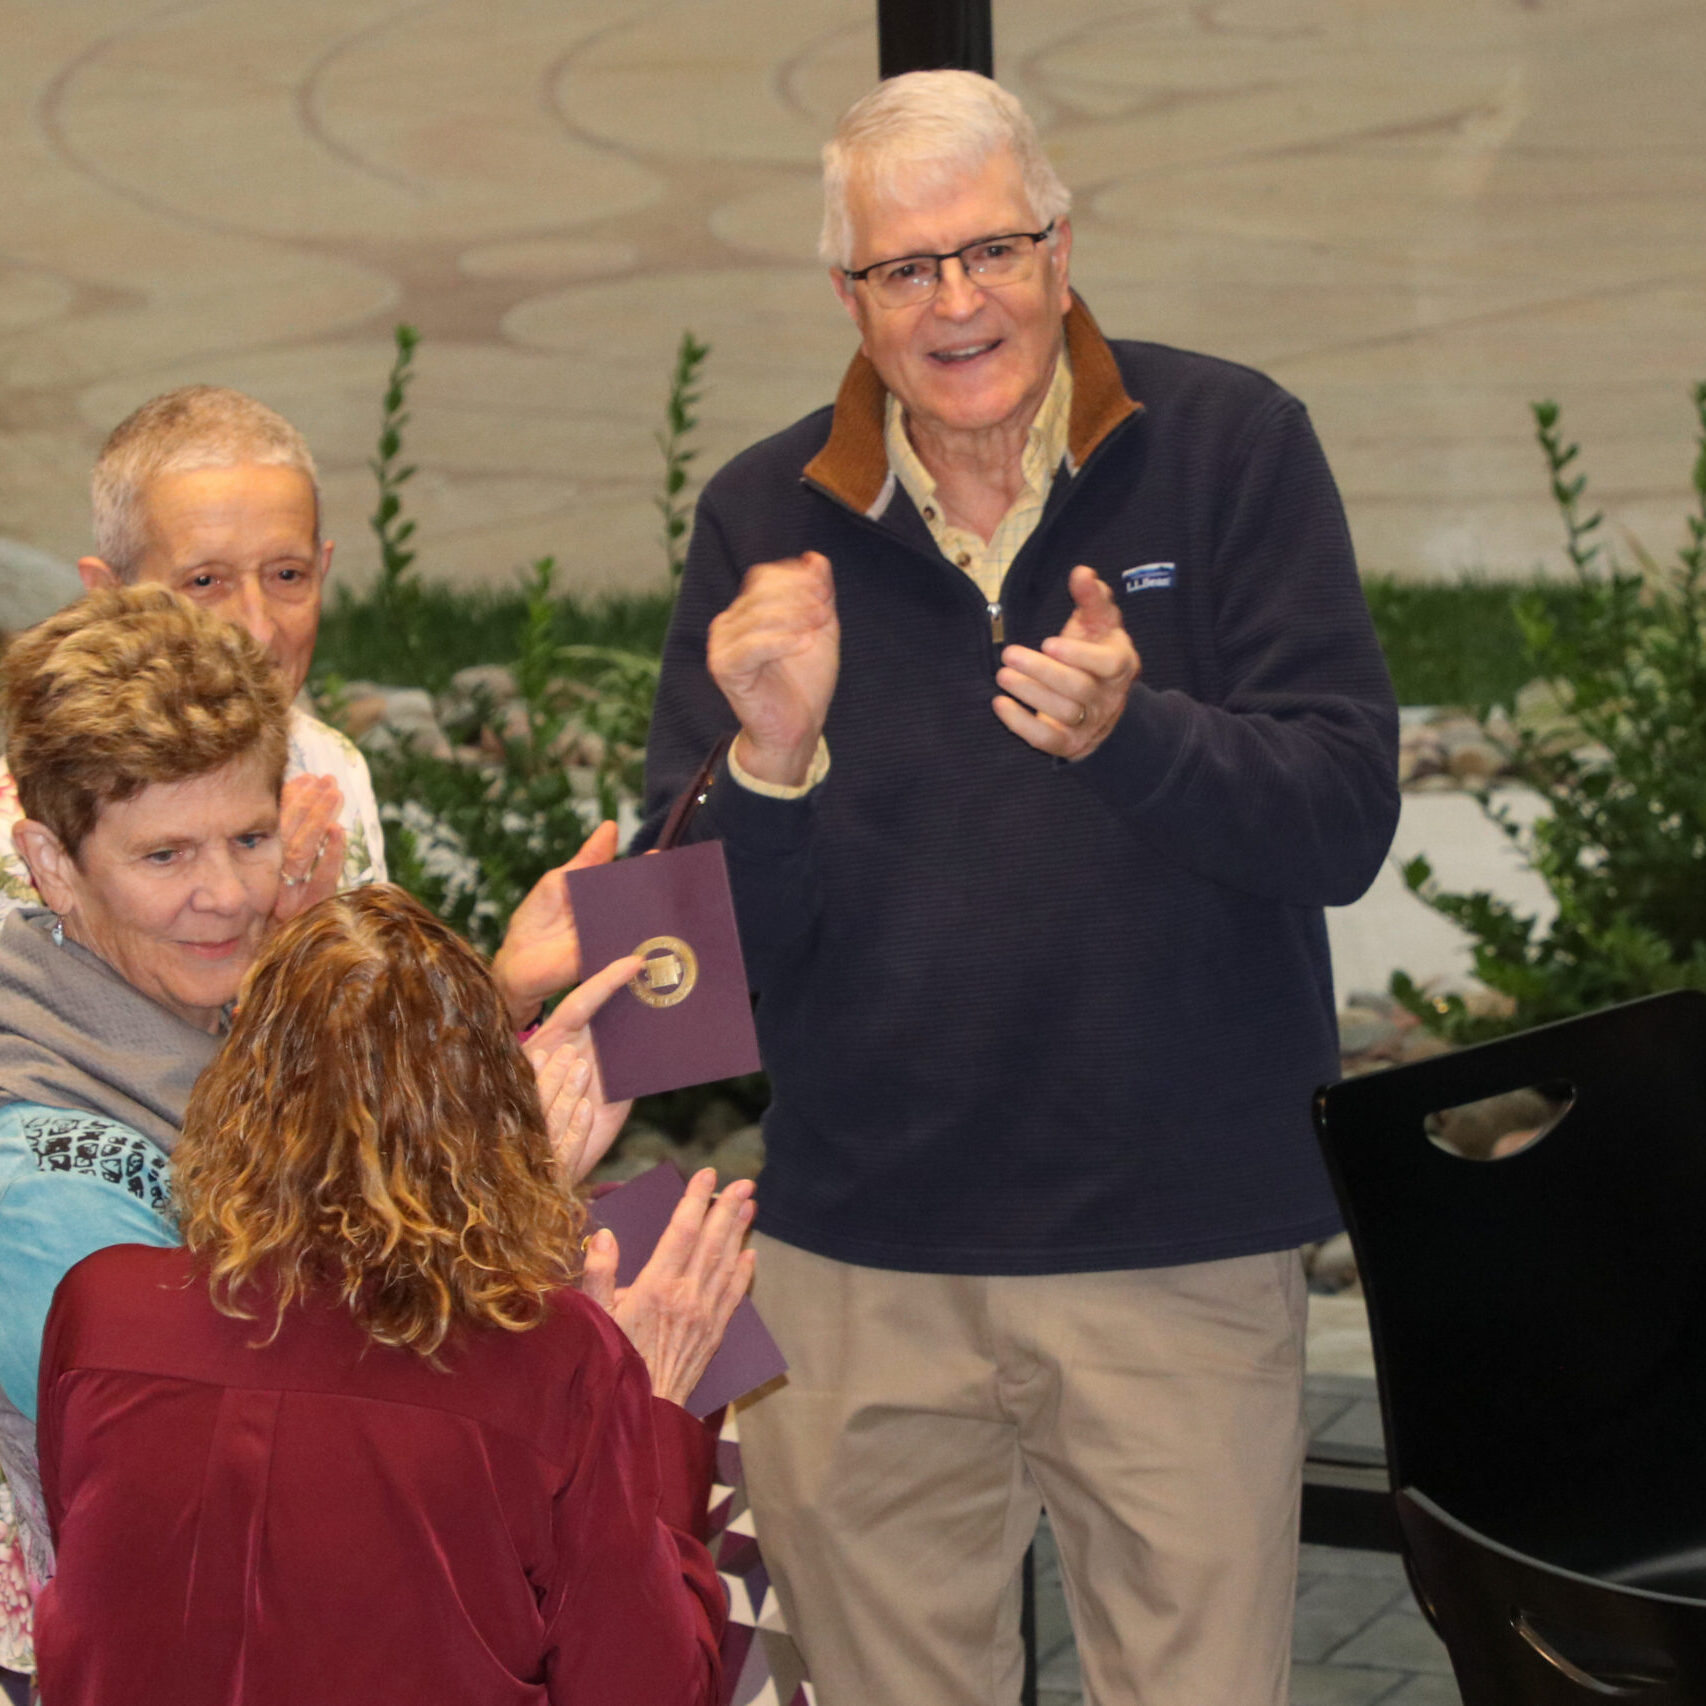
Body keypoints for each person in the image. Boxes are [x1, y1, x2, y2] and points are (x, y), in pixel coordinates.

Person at [639, 69, 1401, 1706]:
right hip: (860, 1279)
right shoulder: (763, 518)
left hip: (1180, 1255)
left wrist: (1137, 738)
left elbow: (1343, 817)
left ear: (1063, 246)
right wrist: (769, 767)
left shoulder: (1231, 447)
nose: (957, 299)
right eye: (905, 269)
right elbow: (675, 987)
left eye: (991, 248)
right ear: (847, 299)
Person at [0, 588, 744, 1657]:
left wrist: (487, 1008)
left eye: (251, 836)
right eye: (164, 856)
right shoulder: (39, 1172)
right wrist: (520, 1214)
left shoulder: (187, 1012)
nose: (227, 896)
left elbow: (326, 1218)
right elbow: (305, 1437)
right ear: (51, 859)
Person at [33, 883, 748, 1706]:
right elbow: (645, 1689)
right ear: (489, 1104)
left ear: (235, 1085)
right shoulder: (560, 1360)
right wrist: (654, 1409)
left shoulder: (102, 1307)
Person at [0, 384, 592, 1029]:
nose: (256, 629)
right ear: (108, 594)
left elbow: (360, 1072)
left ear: (323, 569)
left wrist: (505, 997)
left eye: (287, 575)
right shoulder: (26, 818)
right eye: (206, 582)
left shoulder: (330, 766)